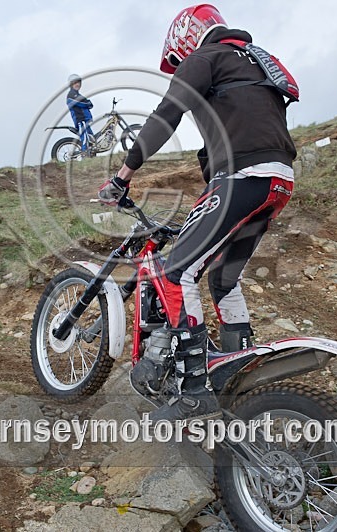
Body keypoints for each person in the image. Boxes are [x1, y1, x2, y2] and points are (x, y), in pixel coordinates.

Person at [98, 4, 297, 423]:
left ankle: (193, 392)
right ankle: (236, 371)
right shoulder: (257, 61)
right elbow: (237, 128)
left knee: (174, 273)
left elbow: (165, 116)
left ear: (186, 36)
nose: (176, 67)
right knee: (224, 278)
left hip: (243, 176)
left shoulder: (204, 58)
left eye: (175, 60)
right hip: (277, 180)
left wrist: (122, 176)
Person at [66, 74, 95, 154]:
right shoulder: (71, 95)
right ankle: (84, 154)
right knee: (85, 138)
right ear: (71, 84)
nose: (77, 84)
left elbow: (90, 104)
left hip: (86, 120)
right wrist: (87, 103)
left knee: (92, 139)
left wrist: (88, 103)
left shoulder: (78, 95)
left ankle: (91, 155)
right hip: (80, 120)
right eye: (75, 83)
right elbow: (84, 103)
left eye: (79, 82)